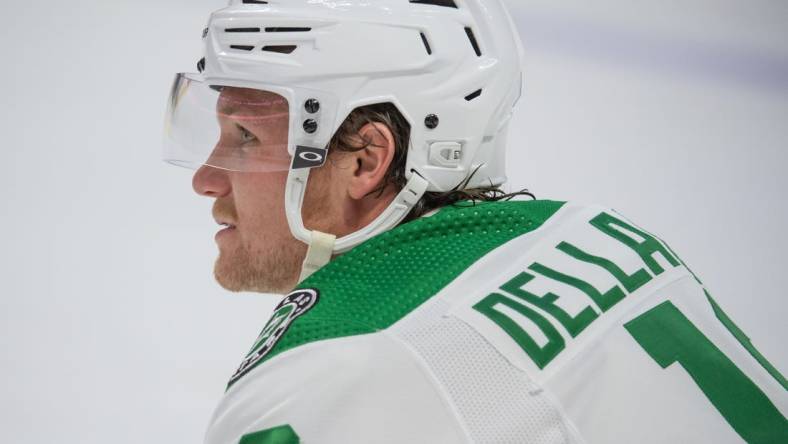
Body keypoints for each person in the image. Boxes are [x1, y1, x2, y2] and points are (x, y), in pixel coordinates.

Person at [163, 1, 787, 443]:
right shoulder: (606, 239)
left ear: (366, 160)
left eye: (247, 138)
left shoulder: (331, 369)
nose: (205, 179)